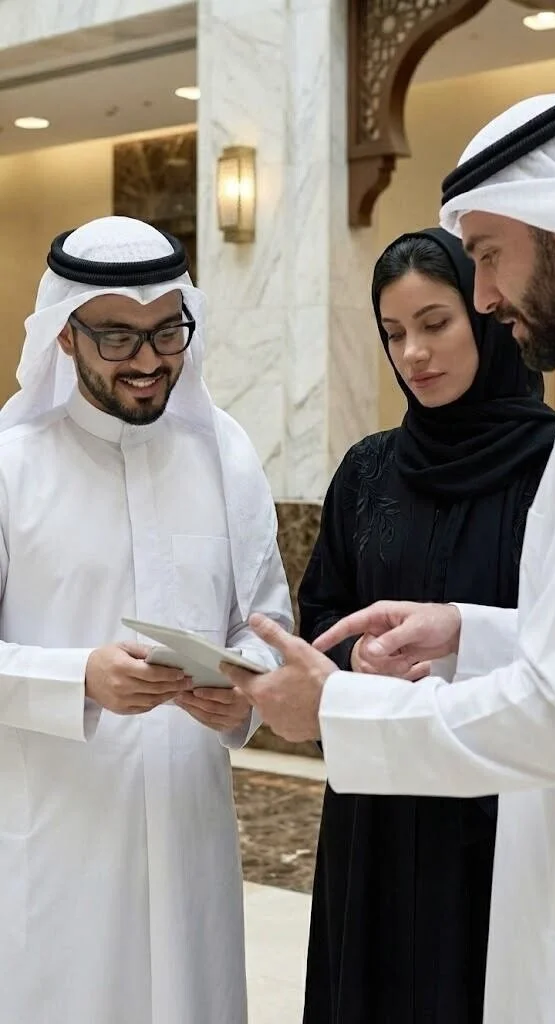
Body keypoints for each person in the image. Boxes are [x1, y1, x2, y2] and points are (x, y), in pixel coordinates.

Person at [223, 90, 555, 1024]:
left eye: (486, 259)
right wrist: (463, 632)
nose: (484, 298)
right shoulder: (382, 465)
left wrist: (337, 705)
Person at [0, 216, 292, 1024]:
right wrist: (79, 677)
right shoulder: (10, 465)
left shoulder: (222, 453)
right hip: (59, 841)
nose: (149, 360)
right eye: (118, 339)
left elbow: (265, 623)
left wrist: (246, 692)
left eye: (167, 331)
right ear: (65, 336)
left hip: (188, 823)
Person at [298, 228, 555, 1024]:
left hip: (498, 799)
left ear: (483, 315)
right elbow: (323, 615)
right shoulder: (368, 469)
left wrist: (458, 653)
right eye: (393, 333)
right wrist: (355, 666)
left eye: (435, 323)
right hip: (377, 803)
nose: (414, 352)